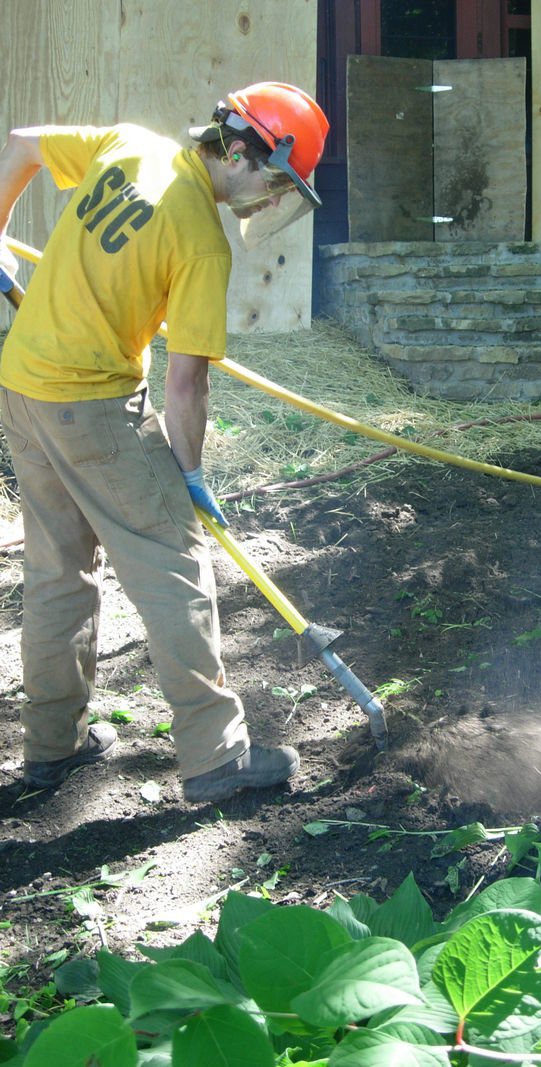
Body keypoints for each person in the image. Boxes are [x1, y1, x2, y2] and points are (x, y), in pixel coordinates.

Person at [0, 82, 329, 802]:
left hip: (21, 385)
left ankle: (51, 748)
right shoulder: (202, 242)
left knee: (57, 572)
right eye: (276, 182)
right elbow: (186, 389)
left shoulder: (130, 143)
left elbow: (21, 141)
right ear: (241, 150)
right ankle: (216, 756)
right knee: (173, 563)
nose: (272, 201)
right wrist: (191, 474)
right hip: (89, 406)